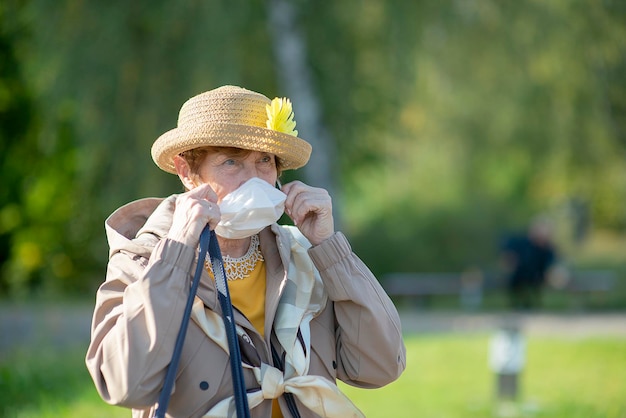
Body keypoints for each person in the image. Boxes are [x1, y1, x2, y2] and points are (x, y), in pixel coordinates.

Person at [85, 85, 406, 418]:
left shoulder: (302, 255)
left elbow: (380, 366)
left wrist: (330, 249)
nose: (254, 180)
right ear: (186, 172)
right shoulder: (144, 259)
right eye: (231, 162)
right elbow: (124, 383)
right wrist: (177, 252)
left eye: (264, 161)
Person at [500, 217, 557, 310]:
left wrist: (551, 273)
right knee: (516, 281)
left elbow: (552, 265)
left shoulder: (548, 248)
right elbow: (507, 255)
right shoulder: (521, 242)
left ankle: (531, 304)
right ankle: (519, 304)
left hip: (538, 277)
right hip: (519, 275)